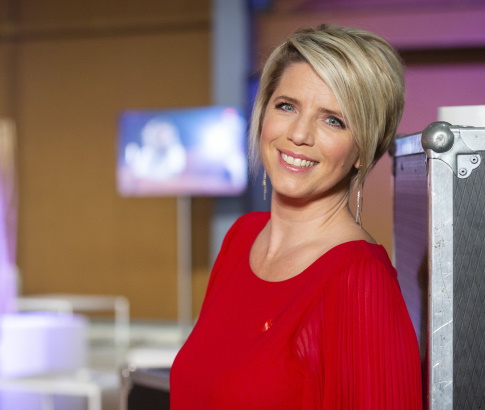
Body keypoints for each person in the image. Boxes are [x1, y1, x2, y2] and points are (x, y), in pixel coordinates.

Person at [170, 25, 421, 408]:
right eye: (287, 106)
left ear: (362, 149)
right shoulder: (242, 236)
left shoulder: (359, 281)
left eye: (333, 120)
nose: (299, 134)